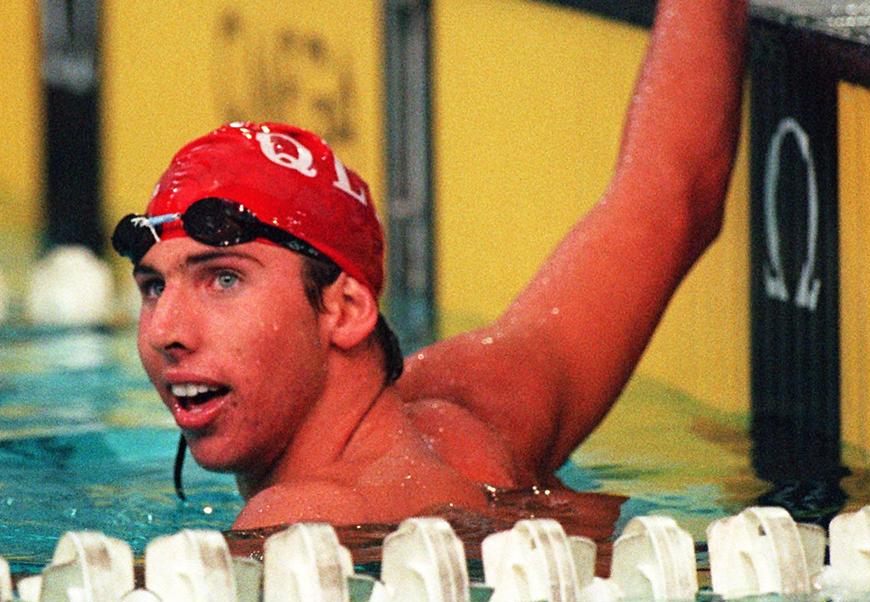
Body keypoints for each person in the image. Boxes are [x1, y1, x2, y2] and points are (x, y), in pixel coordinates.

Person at [114, 0, 746, 531]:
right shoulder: (474, 410)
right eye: (152, 286)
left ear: (346, 308)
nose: (167, 330)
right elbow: (670, 196)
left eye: (223, 279)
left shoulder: (296, 526)